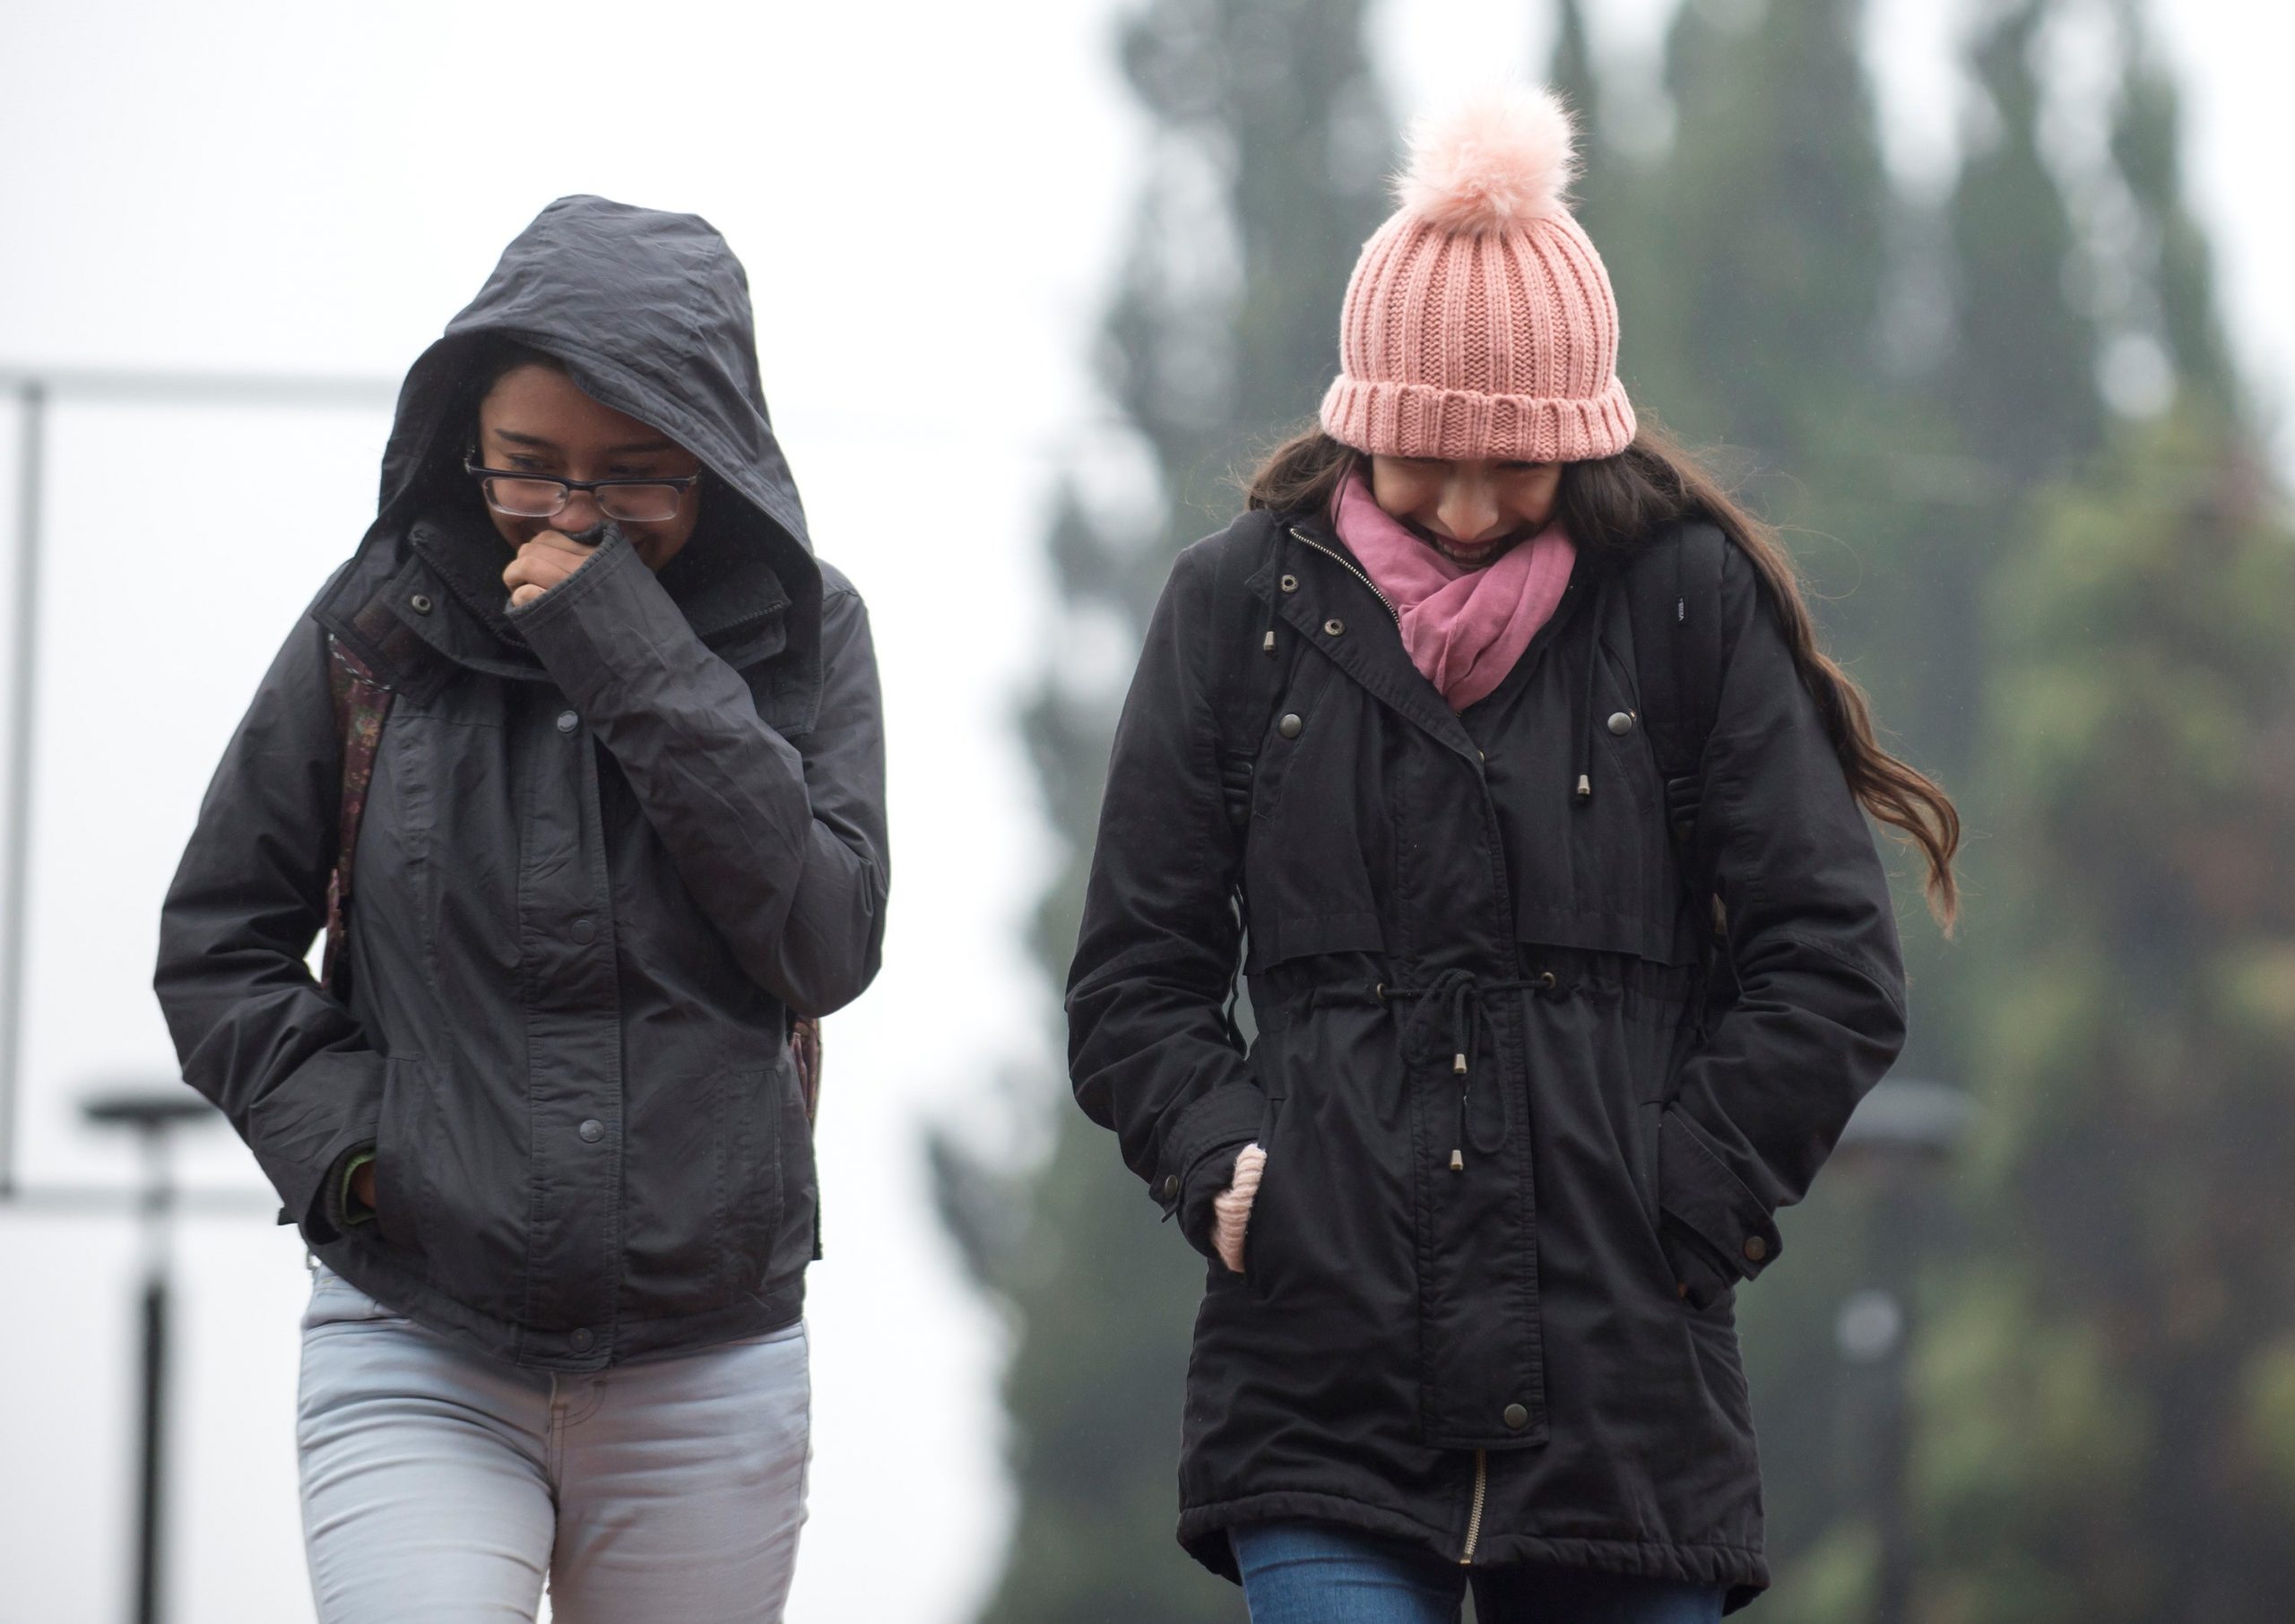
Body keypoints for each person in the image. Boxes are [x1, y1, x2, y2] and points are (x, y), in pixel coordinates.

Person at [1066, 90, 1959, 1622]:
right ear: (1359, 420)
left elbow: (1831, 962)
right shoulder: (1235, 610)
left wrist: (1686, 1205)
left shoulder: (1686, 605)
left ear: (1586, 439)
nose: (1468, 510)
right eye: (1424, 461)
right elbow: (1135, 982)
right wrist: (1230, 1174)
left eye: (1515, 467)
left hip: (1628, 1400)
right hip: (1317, 1384)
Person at [154, 195, 888, 1623]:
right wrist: (370, 1158)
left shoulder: (812, 633)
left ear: (718, 459)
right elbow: (217, 945)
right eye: (529, 466)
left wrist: (623, 646)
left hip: (709, 1359)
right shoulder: (370, 624)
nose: (569, 514)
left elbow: (824, 936)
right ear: (463, 437)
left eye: (631, 479)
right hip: (414, 1338)